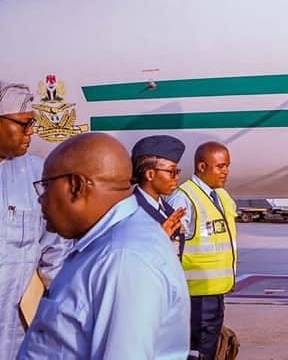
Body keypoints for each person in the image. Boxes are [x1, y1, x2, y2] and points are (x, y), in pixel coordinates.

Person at [17, 133, 189, 360]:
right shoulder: (106, 242)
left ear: (77, 186)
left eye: (47, 186)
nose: (41, 199)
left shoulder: (123, 259)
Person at [0, 82, 70, 360]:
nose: (31, 131)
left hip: (17, 330)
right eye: (24, 124)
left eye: (33, 123)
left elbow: (56, 250)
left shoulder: (38, 175)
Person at [166, 142, 237, 360]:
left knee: (209, 349)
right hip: (194, 296)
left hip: (215, 291)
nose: (225, 171)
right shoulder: (183, 198)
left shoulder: (222, 196)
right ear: (202, 167)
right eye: (220, 166)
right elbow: (169, 246)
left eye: (227, 166)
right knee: (197, 352)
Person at [131, 135, 187, 258]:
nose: (177, 177)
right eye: (172, 172)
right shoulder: (131, 213)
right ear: (150, 174)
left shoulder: (167, 210)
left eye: (177, 172)